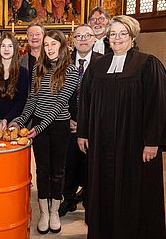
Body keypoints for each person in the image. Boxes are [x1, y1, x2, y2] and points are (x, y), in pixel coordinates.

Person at [77, 15, 166, 239]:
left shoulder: (147, 63)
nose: (116, 38)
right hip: (102, 143)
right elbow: (85, 101)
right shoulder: (98, 66)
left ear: (132, 36)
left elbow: (157, 104)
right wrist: (83, 133)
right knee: (104, 188)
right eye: (112, 34)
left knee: (133, 190)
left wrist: (153, 141)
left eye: (122, 33)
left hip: (134, 144)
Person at [10, 30, 78, 234]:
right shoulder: (38, 68)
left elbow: (59, 105)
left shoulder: (71, 70)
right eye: (46, 44)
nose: (49, 48)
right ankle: (44, 213)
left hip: (59, 126)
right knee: (42, 170)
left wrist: (36, 129)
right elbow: (32, 99)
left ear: (62, 46)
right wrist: (20, 121)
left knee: (58, 171)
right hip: (38, 123)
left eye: (53, 44)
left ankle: (54, 211)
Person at [59, 24, 102, 218]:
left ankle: (89, 200)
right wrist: (67, 118)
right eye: (79, 36)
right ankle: (68, 199)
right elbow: (56, 93)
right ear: (73, 41)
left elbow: (106, 98)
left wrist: (87, 123)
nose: (83, 39)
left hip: (93, 125)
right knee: (68, 164)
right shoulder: (63, 62)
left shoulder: (104, 62)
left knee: (90, 165)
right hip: (68, 122)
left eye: (87, 36)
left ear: (94, 39)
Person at [0, 32, 29, 131]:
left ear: (15, 49)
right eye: (3, 46)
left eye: (10, 46)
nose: (6, 49)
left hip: (14, 121)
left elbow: (21, 101)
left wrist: (7, 119)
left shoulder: (23, 72)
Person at [20, 22, 46, 90]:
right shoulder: (20, 61)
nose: (34, 37)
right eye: (31, 35)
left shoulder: (50, 59)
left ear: (43, 36)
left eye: (37, 34)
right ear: (27, 37)